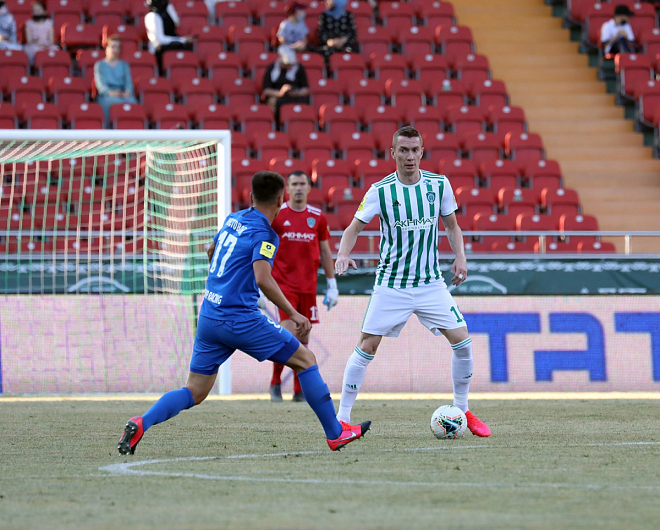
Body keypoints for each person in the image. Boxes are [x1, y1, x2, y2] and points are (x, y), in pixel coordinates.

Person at [118, 171, 370, 456]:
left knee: (195, 391)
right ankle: (336, 433)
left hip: (210, 315)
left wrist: (229, 281)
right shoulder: (266, 234)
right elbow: (263, 277)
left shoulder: (233, 218)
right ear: (281, 200)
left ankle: (142, 422)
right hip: (240, 319)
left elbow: (211, 250)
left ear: (251, 196)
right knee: (306, 359)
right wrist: (293, 313)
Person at [333, 125, 491, 438]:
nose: (409, 157)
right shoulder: (380, 191)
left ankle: (462, 409)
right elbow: (353, 228)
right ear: (392, 153)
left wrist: (460, 257)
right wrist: (342, 254)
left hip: (431, 283)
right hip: (392, 284)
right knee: (367, 346)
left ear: (422, 152)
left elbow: (452, 226)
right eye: (403, 150)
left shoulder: (439, 185)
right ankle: (341, 420)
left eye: (414, 150)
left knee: (463, 342)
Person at [266, 170, 339, 403]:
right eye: (294, 184)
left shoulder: (318, 217)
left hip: (308, 287)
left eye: (302, 184)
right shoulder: (278, 216)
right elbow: (265, 246)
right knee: (288, 335)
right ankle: (275, 382)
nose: (298, 188)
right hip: (283, 287)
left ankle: (298, 390)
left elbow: (325, 251)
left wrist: (332, 283)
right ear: (287, 189)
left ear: (309, 188)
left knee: (303, 336)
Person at [94, 35, 137, 126]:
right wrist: (112, 92)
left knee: (132, 102)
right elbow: (101, 86)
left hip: (122, 94)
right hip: (107, 95)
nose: (115, 50)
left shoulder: (124, 65)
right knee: (113, 103)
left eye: (117, 47)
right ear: (106, 48)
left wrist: (127, 91)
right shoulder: (100, 65)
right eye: (113, 46)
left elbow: (128, 82)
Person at [261, 45, 309, 123]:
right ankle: (278, 125)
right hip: (277, 95)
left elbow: (305, 88)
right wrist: (280, 93)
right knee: (276, 103)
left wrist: (296, 93)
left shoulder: (299, 68)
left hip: (295, 96)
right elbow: (266, 90)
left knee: (303, 102)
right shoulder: (272, 68)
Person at [144, 0, 194, 74]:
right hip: (159, 48)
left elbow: (177, 22)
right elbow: (160, 39)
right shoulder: (152, 16)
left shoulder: (167, 10)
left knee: (187, 49)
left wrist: (169, 6)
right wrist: (182, 40)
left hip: (173, 42)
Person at [317, 0, 357, 64]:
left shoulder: (348, 15)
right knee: (325, 52)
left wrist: (343, 40)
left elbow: (353, 33)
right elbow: (321, 33)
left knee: (350, 52)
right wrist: (330, 42)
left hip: (345, 44)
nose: (326, 2)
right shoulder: (324, 15)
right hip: (329, 45)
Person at [24, 1, 57, 65]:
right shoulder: (29, 24)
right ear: (32, 12)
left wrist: (46, 46)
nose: (37, 12)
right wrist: (39, 44)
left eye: (39, 9)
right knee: (36, 51)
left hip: (47, 45)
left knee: (54, 50)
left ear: (44, 11)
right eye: (35, 10)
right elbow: (29, 40)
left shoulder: (49, 23)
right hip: (34, 45)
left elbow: (51, 40)